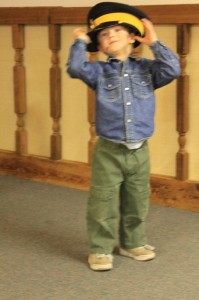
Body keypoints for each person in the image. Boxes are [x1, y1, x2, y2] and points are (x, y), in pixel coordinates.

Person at [67, 2, 180, 271]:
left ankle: (132, 242)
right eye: (104, 35)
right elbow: (75, 68)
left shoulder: (148, 70)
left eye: (117, 30)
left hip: (140, 151)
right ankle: (101, 247)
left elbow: (173, 69)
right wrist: (81, 43)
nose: (110, 36)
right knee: (102, 201)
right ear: (101, 46)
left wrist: (155, 42)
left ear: (132, 36)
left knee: (138, 198)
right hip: (109, 151)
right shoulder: (98, 72)